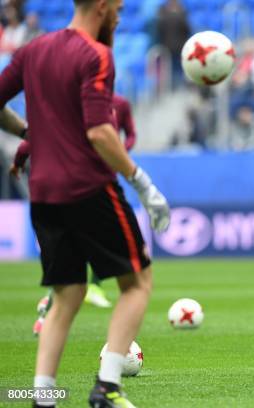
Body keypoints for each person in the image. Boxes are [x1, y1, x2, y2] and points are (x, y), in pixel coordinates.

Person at [0, 1, 170, 407]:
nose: (119, 16)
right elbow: (99, 133)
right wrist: (141, 182)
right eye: (118, 8)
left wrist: (29, 132)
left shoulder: (32, 51)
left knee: (68, 293)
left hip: (43, 191)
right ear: (101, 6)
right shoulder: (96, 54)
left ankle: (43, 396)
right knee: (137, 283)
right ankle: (107, 387)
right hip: (88, 187)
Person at [11, 93, 138, 336]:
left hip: (77, 190)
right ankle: (56, 302)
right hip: (86, 192)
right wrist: (19, 160)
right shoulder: (79, 112)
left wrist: (120, 152)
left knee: (79, 254)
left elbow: (30, 141)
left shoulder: (118, 104)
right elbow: (31, 140)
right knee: (83, 253)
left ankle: (88, 289)